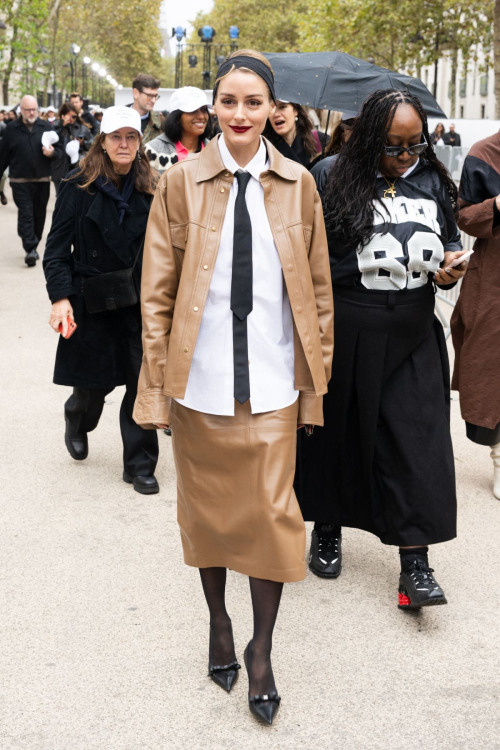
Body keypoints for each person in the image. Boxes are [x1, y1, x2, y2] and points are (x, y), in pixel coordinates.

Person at [133, 49, 333, 724]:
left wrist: (315, 386)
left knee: (274, 520)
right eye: (229, 101)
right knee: (210, 518)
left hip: (275, 384)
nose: (241, 113)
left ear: (274, 110)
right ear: (212, 107)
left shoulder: (300, 183)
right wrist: (156, 388)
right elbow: (156, 293)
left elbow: (319, 294)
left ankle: (263, 650)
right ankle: (218, 622)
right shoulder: (181, 182)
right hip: (202, 384)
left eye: (255, 102)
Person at [295, 89, 469, 611]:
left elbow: (449, 243)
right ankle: (327, 527)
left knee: (418, 441)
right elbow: (307, 256)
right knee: (337, 432)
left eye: (415, 144)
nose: (405, 155)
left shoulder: (434, 179)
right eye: (393, 144)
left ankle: (415, 563)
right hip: (349, 324)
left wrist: (447, 270)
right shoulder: (329, 175)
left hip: (415, 327)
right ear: (369, 136)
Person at [43, 106, 160, 495]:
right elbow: (57, 250)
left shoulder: (154, 186)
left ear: (140, 142)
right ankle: (77, 418)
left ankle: (140, 463)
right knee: (93, 386)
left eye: (131, 136)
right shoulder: (77, 186)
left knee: (140, 382)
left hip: (138, 300)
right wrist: (61, 297)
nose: (124, 143)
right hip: (91, 298)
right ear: (103, 142)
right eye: (116, 137)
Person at [450, 131, 500, 499]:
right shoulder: (485, 152)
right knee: (491, 371)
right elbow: (464, 215)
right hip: (495, 279)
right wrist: (495, 206)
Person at [0, 95, 62, 266]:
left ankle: (33, 243)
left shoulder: (46, 127)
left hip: (42, 179)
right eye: (28, 110)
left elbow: (59, 151)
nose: (31, 112)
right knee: (26, 213)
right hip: (19, 180)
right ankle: (30, 247)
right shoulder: (11, 129)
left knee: (39, 214)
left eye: (34, 109)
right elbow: (2, 156)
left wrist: (52, 153)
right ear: (21, 110)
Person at [145, 87, 211, 174]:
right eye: (193, 110)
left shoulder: (215, 150)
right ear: (177, 117)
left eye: (204, 109)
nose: (201, 116)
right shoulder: (153, 151)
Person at [264, 100, 323, 167]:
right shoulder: (262, 149)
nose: (276, 114)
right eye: (271, 108)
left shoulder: (321, 140)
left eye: (282, 107)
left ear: (295, 110)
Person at [51, 102, 93, 192]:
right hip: (59, 168)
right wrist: (61, 126)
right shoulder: (55, 126)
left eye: (74, 116)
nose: (72, 119)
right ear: (63, 115)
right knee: (61, 197)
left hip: (77, 168)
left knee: (76, 198)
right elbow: (50, 141)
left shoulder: (82, 128)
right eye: (69, 116)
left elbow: (93, 144)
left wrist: (83, 143)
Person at [130, 73, 162, 145]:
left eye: (155, 96)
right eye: (150, 96)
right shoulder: (115, 118)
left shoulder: (161, 122)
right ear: (136, 93)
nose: (153, 100)